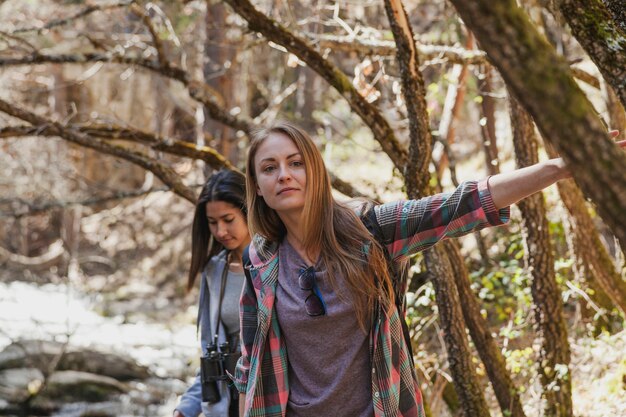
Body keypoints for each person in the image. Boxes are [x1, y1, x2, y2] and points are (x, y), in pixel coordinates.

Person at [230, 121, 623, 417]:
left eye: (295, 163)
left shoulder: (372, 231)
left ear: (314, 172)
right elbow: (252, 358)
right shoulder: (261, 258)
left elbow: (460, 203)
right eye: (269, 168)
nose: (283, 174)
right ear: (258, 186)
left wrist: (557, 168)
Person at [174, 170, 251, 417]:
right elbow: (211, 355)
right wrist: (186, 408)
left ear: (249, 211)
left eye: (228, 219)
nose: (220, 231)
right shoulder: (214, 270)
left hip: (270, 402)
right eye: (212, 222)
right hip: (226, 406)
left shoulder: (279, 263)